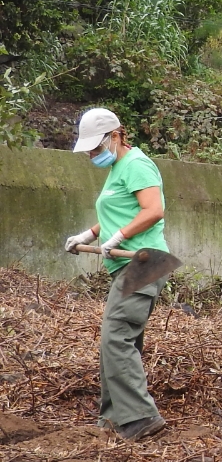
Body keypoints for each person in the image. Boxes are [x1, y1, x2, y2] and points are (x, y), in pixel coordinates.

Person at [63, 108, 170, 441]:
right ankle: (114, 418)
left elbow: (153, 210)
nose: (93, 155)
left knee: (116, 337)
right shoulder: (117, 170)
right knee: (122, 339)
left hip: (144, 261)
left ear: (117, 135)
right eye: (90, 150)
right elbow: (116, 212)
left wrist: (120, 236)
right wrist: (89, 234)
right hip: (130, 264)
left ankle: (140, 417)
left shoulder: (137, 164)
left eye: (97, 147)